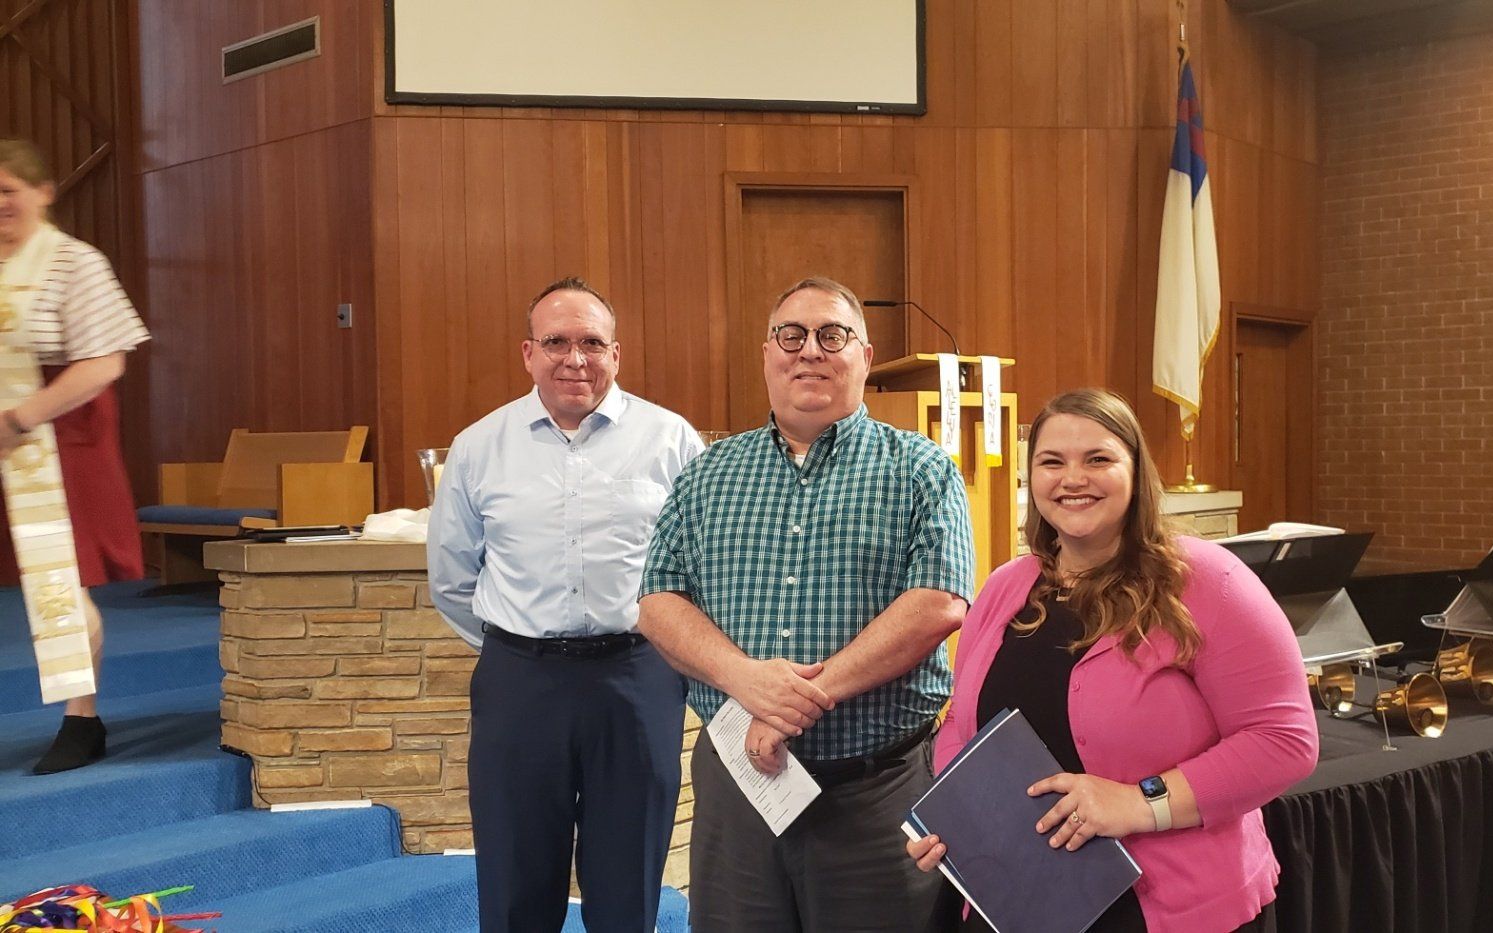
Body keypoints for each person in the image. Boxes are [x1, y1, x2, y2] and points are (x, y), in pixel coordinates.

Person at [907, 388, 1320, 933]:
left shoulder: (1208, 582)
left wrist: (1139, 802)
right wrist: (958, 818)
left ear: (1136, 472)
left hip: (1168, 907)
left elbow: (1283, 739)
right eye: (1051, 462)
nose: (1072, 478)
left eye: (1098, 459)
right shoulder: (1007, 586)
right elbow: (961, 722)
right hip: (1014, 897)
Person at [638, 276, 974, 932]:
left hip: (877, 792)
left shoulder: (922, 468)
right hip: (740, 784)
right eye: (791, 335)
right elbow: (658, 601)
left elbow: (937, 604)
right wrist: (746, 681)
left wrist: (792, 704)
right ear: (767, 353)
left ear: (866, 356)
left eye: (832, 335)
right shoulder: (708, 472)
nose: (809, 350)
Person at [427, 277, 700, 933]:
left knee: (628, 889)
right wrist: (521, 645)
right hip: (522, 681)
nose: (574, 358)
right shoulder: (479, 446)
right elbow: (452, 578)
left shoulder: (674, 442)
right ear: (528, 353)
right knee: (517, 884)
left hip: (637, 678)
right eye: (556, 342)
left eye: (591, 343)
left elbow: (702, 568)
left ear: (617, 354)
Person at [0, 139, 151, 775]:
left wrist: (20, 418)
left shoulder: (72, 262)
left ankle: (81, 719)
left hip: (57, 441)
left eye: (8, 192)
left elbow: (105, 361)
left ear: (43, 192)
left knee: (60, 584)